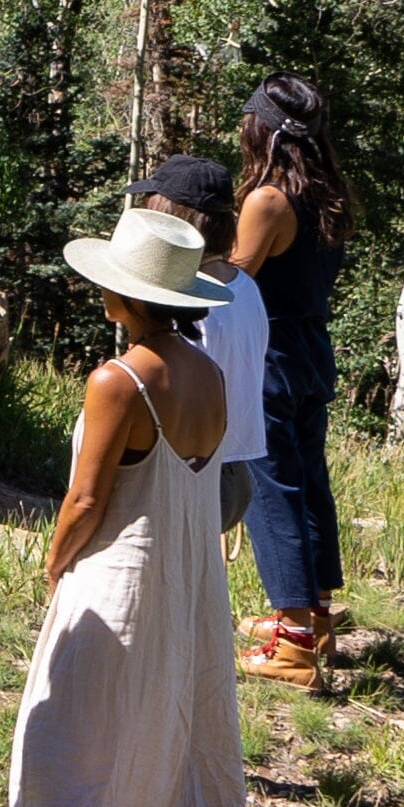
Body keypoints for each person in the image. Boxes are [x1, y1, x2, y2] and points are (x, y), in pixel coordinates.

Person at [8, 206, 247, 807]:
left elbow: (87, 498)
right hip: (189, 583)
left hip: (121, 576)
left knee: (78, 737)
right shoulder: (209, 372)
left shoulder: (119, 380)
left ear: (126, 295)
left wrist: (54, 564)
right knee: (169, 729)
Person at [232, 77, 354, 693]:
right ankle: (317, 617)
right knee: (308, 483)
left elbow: (233, 279)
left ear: (264, 130)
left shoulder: (269, 201)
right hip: (312, 348)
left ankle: (293, 644)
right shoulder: (328, 195)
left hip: (272, 353)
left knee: (271, 488)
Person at [137, 156, 267, 538]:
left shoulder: (195, 304)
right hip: (234, 474)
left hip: (194, 473)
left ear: (171, 218)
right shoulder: (246, 287)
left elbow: (183, 402)